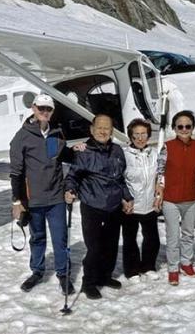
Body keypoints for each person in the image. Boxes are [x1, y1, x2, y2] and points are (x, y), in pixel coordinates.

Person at [10, 93, 76, 295]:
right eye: (41, 108)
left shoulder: (56, 133)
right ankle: (37, 271)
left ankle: (63, 274)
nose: (45, 112)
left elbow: (64, 155)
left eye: (48, 109)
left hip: (56, 197)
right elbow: (16, 172)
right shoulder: (22, 137)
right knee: (37, 237)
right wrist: (17, 201)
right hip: (34, 199)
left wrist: (79, 149)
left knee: (60, 238)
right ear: (33, 108)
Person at [64, 114, 134, 300]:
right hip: (92, 205)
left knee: (111, 245)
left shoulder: (117, 150)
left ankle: (105, 276)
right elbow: (73, 176)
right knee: (94, 247)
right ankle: (89, 283)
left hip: (113, 206)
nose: (103, 131)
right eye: (100, 128)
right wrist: (70, 190)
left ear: (112, 131)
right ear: (92, 129)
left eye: (107, 128)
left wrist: (127, 197)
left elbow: (120, 178)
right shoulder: (84, 152)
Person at [156, 110, 195, 286]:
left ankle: (186, 263)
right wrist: (159, 189)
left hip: (191, 198)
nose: (184, 129)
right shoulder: (167, 147)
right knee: (173, 235)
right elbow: (160, 170)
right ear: (174, 128)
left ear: (192, 128)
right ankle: (173, 268)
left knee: (188, 233)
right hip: (171, 199)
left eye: (187, 126)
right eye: (180, 126)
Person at [121, 119, 161, 279]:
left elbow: (159, 175)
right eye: (136, 134)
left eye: (143, 134)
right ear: (130, 136)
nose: (140, 138)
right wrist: (124, 199)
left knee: (152, 238)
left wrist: (158, 195)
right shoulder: (124, 155)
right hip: (131, 204)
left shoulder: (153, 153)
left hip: (149, 204)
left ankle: (148, 266)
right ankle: (132, 270)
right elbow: (120, 179)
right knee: (130, 239)